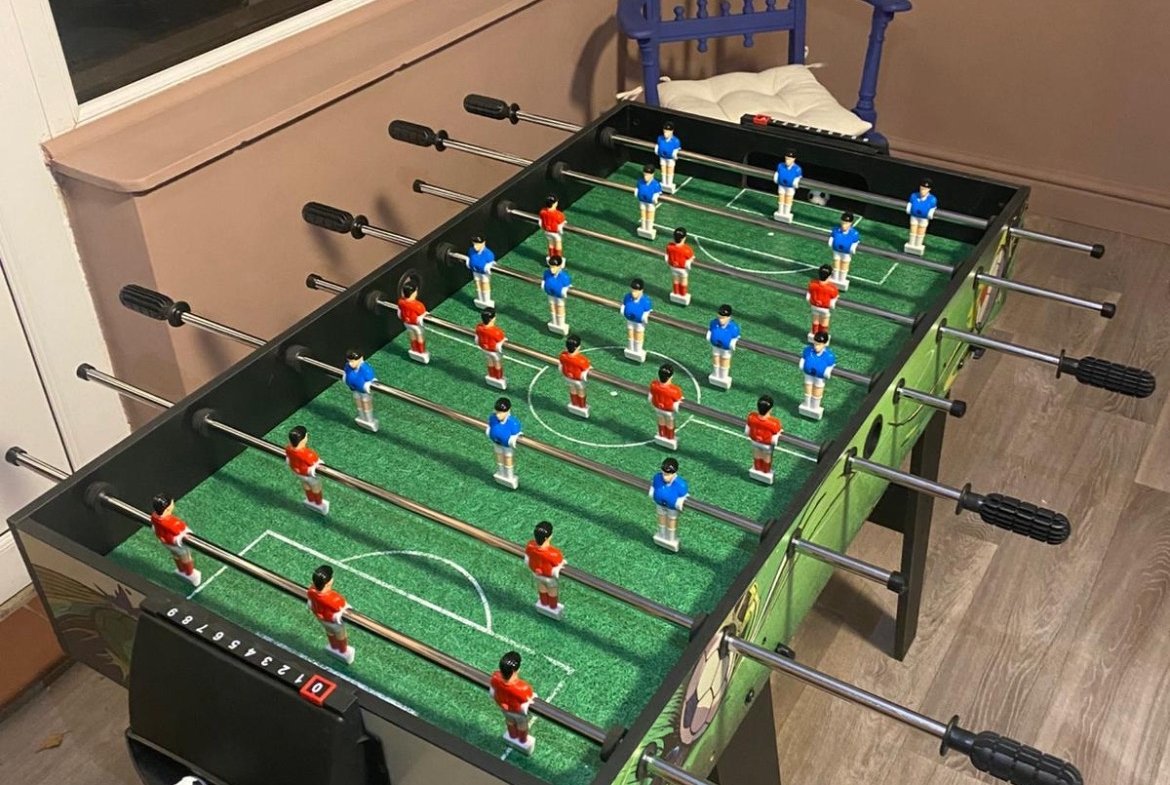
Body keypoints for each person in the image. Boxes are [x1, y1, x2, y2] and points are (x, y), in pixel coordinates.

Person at [149, 494, 201, 586]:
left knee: (176, 555)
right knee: (186, 556)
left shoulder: (155, 517)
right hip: (174, 542)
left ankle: (181, 570)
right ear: (167, 509)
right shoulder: (170, 523)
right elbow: (180, 530)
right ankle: (190, 574)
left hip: (166, 542)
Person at [489, 651, 536, 754]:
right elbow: (526, 699)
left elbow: (493, 690)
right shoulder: (523, 688)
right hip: (517, 711)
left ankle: (512, 735)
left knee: (509, 721)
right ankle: (522, 740)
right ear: (516, 670)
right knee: (522, 724)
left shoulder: (495, 677)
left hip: (504, 708)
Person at [306, 565, 354, 664]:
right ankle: (342, 650)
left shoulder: (311, 591)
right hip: (332, 620)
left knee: (329, 632)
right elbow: (343, 608)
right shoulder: (334, 599)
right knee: (341, 634)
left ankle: (333, 646)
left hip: (321, 618)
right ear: (328, 583)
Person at [524, 520, 565, 618]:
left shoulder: (530, 545)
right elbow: (559, 562)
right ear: (547, 537)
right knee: (552, 590)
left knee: (541, 587)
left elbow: (528, 555)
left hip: (536, 573)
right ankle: (552, 606)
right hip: (549, 577)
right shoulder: (554, 553)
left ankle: (543, 603)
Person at [285, 425, 329, 514]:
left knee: (306, 485)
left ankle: (310, 499)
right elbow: (317, 463)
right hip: (308, 474)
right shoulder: (308, 454)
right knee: (316, 487)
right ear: (303, 439)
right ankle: (318, 503)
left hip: (297, 472)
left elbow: (289, 458)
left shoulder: (288, 448)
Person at [649, 457, 689, 551]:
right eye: (664, 474)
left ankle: (671, 538)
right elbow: (654, 487)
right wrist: (652, 492)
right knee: (661, 518)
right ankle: (661, 534)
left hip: (672, 507)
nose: (665, 477)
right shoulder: (657, 478)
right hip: (660, 504)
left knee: (671, 520)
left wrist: (680, 502)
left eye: (667, 474)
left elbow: (682, 496)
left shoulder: (680, 485)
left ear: (674, 473)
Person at [798, 331, 837, 420]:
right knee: (808, 388)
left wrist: (827, 371)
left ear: (824, 344)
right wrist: (802, 363)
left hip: (819, 377)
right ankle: (807, 404)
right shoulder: (808, 351)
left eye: (819, 344)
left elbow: (831, 366)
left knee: (817, 389)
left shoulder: (829, 356)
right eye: (815, 344)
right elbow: (803, 358)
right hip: (808, 374)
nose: (816, 346)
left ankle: (815, 407)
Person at [745, 395, 783, 485]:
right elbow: (777, 431)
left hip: (755, 441)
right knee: (766, 457)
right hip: (766, 444)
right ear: (770, 409)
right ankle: (766, 471)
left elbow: (748, 427)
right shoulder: (774, 423)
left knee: (757, 454)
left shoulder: (751, 416)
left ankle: (757, 468)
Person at [486, 397, 522, 488]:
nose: (498, 415)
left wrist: (513, 440)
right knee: (499, 457)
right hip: (496, 443)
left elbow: (516, 435)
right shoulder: (493, 419)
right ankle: (501, 473)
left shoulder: (513, 424)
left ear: (508, 411)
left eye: (501, 412)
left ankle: (509, 476)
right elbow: (490, 427)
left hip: (506, 446)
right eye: (497, 412)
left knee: (508, 458)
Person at [648, 363, 684, 450]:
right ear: (671, 377)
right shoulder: (674, 390)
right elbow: (679, 398)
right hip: (668, 410)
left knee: (661, 420)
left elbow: (652, 393)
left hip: (657, 407)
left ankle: (662, 434)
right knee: (669, 422)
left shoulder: (654, 384)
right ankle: (670, 437)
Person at [706, 304, 741, 389]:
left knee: (725, 360)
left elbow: (736, 337)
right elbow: (711, 330)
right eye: (720, 317)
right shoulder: (714, 323)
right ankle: (716, 374)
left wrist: (733, 342)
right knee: (716, 358)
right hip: (716, 346)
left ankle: (723, 376)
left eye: (723, 318)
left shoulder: (733, 328)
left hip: (726, 349)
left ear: (729, 317)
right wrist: (709, 335)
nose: (721, 320)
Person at [342, 350, 378, 432]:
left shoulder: (365, 369)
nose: (350, 363)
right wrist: (345, 378)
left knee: (365, 402)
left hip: (364, 391)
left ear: (360, 359)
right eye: (349, 361)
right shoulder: (348, 367)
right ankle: (362, 417)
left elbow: (370, 379)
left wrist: (368, 385)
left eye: (353, 361)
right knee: (358, 401)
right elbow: (346, 374)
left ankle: (369, 419)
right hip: (354, 389)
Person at [620, 277, 653, 362]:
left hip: (639, 322)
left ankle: (637, 350)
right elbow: (624, 304)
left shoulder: (645, 301)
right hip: (630, 320)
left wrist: (645, 317)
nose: (633, 293)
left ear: (641, 290)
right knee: (630, 333)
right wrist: (623, 310)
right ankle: (631, 348)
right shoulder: (627, 297)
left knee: (638, 334)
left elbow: (647, 311)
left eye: (636, 291)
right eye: (632, 290)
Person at [559, 334, 591, 418]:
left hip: (568, 377)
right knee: (580, 391)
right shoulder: (581, 360)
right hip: (578, 379)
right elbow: (586, 368)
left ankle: (574, 404)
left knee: (572, 388)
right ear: (577, 347)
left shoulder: (563, 355)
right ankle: (582, 406)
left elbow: (562, 362)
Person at [396, 282, 430, 363]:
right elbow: (423, 313)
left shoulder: (401, 301)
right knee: (419, 336)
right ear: (414, 292)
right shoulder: (418, 305)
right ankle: (421, 352)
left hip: (407, 323)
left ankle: (414, 350)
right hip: (416, 324)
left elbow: (399, 312)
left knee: (412, 335)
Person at [475, 308, 507, 390]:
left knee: (489, 361)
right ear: (492, 319)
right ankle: (498, 378)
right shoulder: (496, 332)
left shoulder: (479, 327)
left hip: (484, 348)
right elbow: (501, 339)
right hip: (493, 350)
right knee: (497, 362)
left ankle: (491, 375)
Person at [904, 178, 938, 255]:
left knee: (921, 230)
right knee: (913, 229)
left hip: (924, 218)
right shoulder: (914, 196)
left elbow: (933, 208)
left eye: (925, 189)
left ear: (929, 189)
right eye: (922, 188)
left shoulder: (932, 199)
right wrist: (909, 208)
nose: (923, 191)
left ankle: (918, 245)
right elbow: (910, 204)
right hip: (914, 216)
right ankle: (911, 243)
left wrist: (930, 213)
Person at [828, 212, 860, 290]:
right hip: (836, 250)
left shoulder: (854, 233)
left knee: (845, 264)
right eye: (842, 223)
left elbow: (856, 242)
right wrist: (831, 241)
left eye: (846, 223)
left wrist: (853, 247)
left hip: (846, 253)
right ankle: (835, 278)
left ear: (850, 224)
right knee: (836, 262)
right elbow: (832, 237)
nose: (843, 225)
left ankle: (842, 279)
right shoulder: (836, 230)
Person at [806, 264, 839, 341]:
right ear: (829, 276)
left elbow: (808, 296)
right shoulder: (832, 288)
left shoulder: (812, 283)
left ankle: (814, 333)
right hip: (825, 309)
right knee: (824, 322)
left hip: (814, 306)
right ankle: (822, 336)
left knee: (815, 320)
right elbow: (833, 300)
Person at [542, 254, 572, 335]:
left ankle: (560, 324)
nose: (552, 269)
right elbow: (544, 280)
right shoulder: (547, 273)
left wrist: (564, 291)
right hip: (550, 294)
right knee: (552, 307)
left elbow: (567, 286)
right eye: (551, 267)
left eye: (554, 267)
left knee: (559, 308)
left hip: (559, 296)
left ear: (559, 266)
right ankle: (554, 322)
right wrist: (543, 285)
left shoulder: (564, 277)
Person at [665, 227, 694, 305]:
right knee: (683, 280)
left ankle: (676, 292)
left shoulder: (669, 246)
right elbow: (691, 257)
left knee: (676, 279)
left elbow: (667, 254)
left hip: (673, 267)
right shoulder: (687, 249)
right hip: (682, 269)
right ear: (684, 238)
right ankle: (683, 294)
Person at [466, 234, 497, 308]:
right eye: (474, 244)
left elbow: (491, 263)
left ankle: (486, 301)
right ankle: (480, 299)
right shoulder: (471, 251)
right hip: (475, 271)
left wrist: (488, 267)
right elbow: (470, 258)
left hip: (483, 273)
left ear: (483, 243)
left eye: (477, 244)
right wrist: (468, 262)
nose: (475, 246)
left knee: (485, 284)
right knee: (477, 283)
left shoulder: (488, 254)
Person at [772, 149, 803, 223]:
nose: (787, 161)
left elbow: (799, 177)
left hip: (790, 187)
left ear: (793, 159)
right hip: (781, 185)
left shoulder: (797, 169)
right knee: (781, 198)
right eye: (786, 159)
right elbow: (777, 172)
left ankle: (786, 213)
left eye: (789, 159)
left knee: (788, 199)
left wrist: (796, 181)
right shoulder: (780, 166)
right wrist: (776, 176)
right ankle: (780, 211)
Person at [635, 164, 663, 239]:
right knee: (643, 215)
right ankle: (643, 227)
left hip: (650, 203)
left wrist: (656, 196)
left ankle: (649, 228)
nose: (646, 176)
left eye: (648, 175)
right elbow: (638, 187)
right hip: (642, 202)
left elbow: (659, 192)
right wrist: (636, 191)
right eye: (645, 174)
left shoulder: (656, 184)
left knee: (650, 216)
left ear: (652, 174)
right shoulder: (640, 182)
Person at [656, 122, 682, 193]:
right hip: (662, 157)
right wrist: (657, 149)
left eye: (667, 132)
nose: (665, 133)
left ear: (671, 131)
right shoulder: (660, 138)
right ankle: (664, 182)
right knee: (663, 169)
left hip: (670, 159)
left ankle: (669, 183)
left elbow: (677, 149)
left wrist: (675, 153)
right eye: (664, 131)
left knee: (670, 169)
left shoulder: (676, 141)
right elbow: (658, 145)